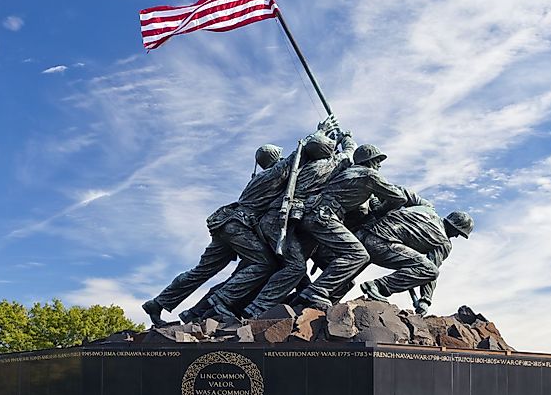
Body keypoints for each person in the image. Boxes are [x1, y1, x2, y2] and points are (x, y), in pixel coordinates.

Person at [211, 125, 355, 318]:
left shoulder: (303, 168)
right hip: (277, 222)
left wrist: (321, 135)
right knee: (294, 267)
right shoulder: (326, 165)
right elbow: (348, 152)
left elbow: (307, 150)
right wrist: (345, 137)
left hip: (271, 221)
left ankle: (280, 303)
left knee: (288, 266)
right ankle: (253, 307)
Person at [141, 144, 289, 327]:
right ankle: (221, 300)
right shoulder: (271, 174)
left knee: (201, 271)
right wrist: (323, 133)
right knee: (265, 264)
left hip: (227, 225)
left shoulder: (260, 176)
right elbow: (300, 156)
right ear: (275, 157)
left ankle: (158, 303)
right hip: (238, 227)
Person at [296, 144, 407, 309]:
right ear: (369, 161)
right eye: (377, 161)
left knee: (346, 280)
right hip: (323, 216)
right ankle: (316, 291)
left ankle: (300, 303)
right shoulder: (369, 175)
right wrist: (379, 211)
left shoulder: (348, 171)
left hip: (314, 214)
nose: (380, 165)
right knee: (358, 255)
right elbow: (400, 198)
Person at [358, 208, 473, 315]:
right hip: (380, 245)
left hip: (362, 235)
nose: (457, 236)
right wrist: (425, 300)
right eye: (459, 232)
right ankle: (377, 286)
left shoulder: (427, 210)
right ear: (454, 226)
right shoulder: (443, 242)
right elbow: (431, 270)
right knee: (430, 270)